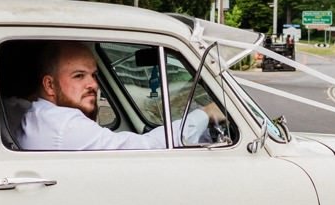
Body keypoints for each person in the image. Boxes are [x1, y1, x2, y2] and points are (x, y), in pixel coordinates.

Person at [16, 42, 222, 151]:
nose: (93, 85)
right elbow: (146, 149)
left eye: (94, 75)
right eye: (79, 76)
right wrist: (205, 114)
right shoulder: (64, 125)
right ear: (49, 85)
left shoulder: (34, 114)